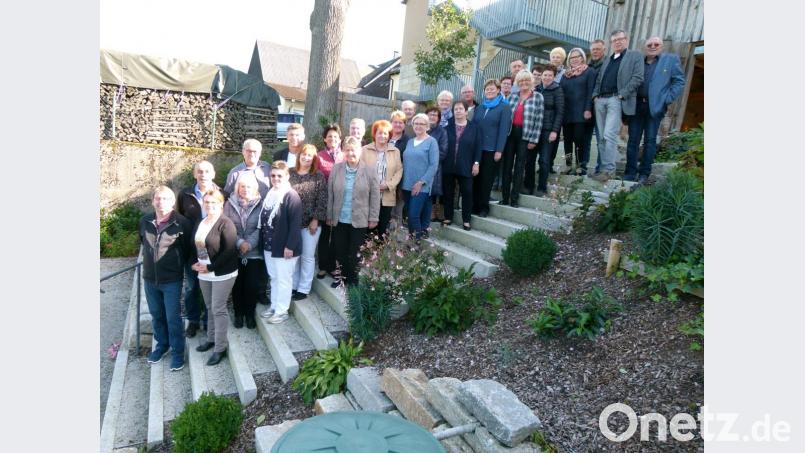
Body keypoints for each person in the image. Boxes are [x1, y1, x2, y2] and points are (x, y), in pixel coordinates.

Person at [139, 186, 193, 372]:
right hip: (149, 278)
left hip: (171, 279)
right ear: (153, 201)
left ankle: (178, 352)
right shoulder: (145, 221)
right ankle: (161, 345)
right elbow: (144, 244)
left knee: (172, 317)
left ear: (172, 202)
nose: (161, 202)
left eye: (165, 199)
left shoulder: (182, 223)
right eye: (157, 198)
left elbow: (188, 250)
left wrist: (175, 265)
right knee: (157, 315)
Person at [624, 36, 686, 183]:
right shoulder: (639, 61)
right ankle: (630, 173)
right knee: (632, 141)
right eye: (649, 44)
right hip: (637, 106)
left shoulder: (670, 60)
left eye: (656, 44)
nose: (653, 46)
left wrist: (667, 99)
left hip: (655, 106)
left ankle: (644, 173)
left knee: (650, 141)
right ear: (645, 47)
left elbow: (679, 81)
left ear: (661, 46)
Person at [192, 189, 239, 366]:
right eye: (207, 202)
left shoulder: (226, 224)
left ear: (221, 204)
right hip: (204, 273)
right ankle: (211, 339)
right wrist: (195, 264)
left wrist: (209, 267)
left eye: (214, 202)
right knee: (209, 306)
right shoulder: (202, 221)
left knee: (218, 309)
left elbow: (229, 252)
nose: (210, 205)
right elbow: (196, 245)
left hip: (222, 273)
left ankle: (220, 347)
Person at [591, 30, 645, 182]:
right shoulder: (608, 60)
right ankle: (602, 169)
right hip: (600, 100)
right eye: (614, 40)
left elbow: (638, 77)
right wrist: (595, 96)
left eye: (621, 39)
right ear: (611, 43)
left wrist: (622, 94)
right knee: (601, 137)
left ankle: (609, 170)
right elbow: (599, 79)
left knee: (609, 135)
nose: (618, 42)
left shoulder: (634, 56)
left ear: (626, 40)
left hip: (616, 99)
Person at [326, 137, 380, 286]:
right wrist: (329, 215)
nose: (350, 153)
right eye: (347, 150)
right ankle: (342, 278)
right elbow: (330, 193)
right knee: (340, 250)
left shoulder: (369, 170)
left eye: (353, 149)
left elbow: (375, 196)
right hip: (339, 218)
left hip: (360, 219)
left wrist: (373, 217)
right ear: (343, 151)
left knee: (355, 251)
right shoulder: (337, 169)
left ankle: (353, 279)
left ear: (360, 151)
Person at [176, 160, 220, 338]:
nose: (203, 175)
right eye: (200, 172)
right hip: (192, 251)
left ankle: (209, 322)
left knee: (211, 289)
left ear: (213, 174)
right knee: (192, 288)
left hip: (213, 251)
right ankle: (193, 321)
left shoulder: (221, 193)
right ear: (195, 174)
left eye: (207, 171)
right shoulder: (184, 195)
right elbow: (179, 220)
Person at [259, 161, 303, 324]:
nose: (276, 179)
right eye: (273, 175)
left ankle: (282, 311)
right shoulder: (270, 194)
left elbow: (295, 224)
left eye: (279, 176)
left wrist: (290, 247)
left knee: (284, 279)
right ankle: (274, 306)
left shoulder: (291, 196)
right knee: (274, 278)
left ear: (287, 177)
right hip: (270, 246)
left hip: (285, 247)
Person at [223, 172, 264, 330]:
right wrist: (240, 242)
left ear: (254, 188)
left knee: (251, 285)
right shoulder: (229, 204)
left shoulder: (261, 204)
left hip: (254, 253)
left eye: (248, 186)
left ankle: (250, 314)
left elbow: (262, 227)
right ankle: (238, 313)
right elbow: (227, 226)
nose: (245, 189)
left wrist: (250, 244)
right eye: (242, 186)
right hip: (235, 252)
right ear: (237, 188)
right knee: (237, 285)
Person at [289, 145, 327, 300]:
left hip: (310, 223)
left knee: (307, 256)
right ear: (299, 156)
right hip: (291, 223)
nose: (306, 157)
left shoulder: (318, 176)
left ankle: (304, 288)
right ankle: (294, 285)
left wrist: (316, 220)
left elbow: (323, 199)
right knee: (294, 256)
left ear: (314, 158)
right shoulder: (290, 173)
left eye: (310, 155)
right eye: (304, 154)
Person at [503, 70, 544, 207]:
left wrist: (534, 139)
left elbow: (539, 120)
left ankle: (514, 199)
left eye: (526, 80)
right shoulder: (512, 97)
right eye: (521, 81)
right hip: (510, 134)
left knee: (520, 167)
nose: (524, 83)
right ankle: (505, 197)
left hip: (525, 135)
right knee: (507, 166)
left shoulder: (537, 97)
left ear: (531, 81)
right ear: (517, 83)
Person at [472, 79, 512, 217]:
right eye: (487, 89)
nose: (489, 91)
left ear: (498, 90)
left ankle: (484, 208)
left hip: (492, 150)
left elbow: (504, 130)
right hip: (477, 149)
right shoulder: (480, 107)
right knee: (475, 179)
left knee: (486, 180)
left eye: (492, 89)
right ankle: (474, 206)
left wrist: (499, 150)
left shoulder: (504, 107)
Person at [444, 100, 482, 230]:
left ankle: (466, 220)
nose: (458, 111)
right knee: (448, 192)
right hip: (448, 165)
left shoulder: (474, 128)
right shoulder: (447, 126)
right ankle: (448, 216)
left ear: (466, 111)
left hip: (466, 165)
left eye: (461, 109)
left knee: (467, 192)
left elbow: (478, 147)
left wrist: (476, 163)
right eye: (455, 109)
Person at [361, 120, 402, 238]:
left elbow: (399, 170)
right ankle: (364, 254)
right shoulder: (365, 150)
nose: (382, 136)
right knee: (367, 229)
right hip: (368, 195)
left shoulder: (395, 151)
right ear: (374, 134)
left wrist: (388, 185)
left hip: (386, 196)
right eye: (379, 133)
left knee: (382, 230)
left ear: (389, 135)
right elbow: (360, 171)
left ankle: (378, 255)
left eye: (385, 133)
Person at [402, 114, 440, 239]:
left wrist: (421, 182)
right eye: (416, 123)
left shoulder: (431, 142)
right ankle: (412, 240)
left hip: (421, 185)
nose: (418, 126)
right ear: (412, 125)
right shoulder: (410, 142)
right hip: (406, 184)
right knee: (410, 215)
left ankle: (416, 243)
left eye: (421, 124)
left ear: (427, 126)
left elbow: (434, 165)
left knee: (414, 215)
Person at [561, 48, 597, 175]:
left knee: (579, 139)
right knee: (567, 141)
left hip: (581, 112)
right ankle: (568, 164)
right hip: (567, 113)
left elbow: (590, 91)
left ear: (582, 58)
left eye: (577, 57)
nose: (574, 59)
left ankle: (581, 165)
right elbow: (561, 93)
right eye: (571, 58)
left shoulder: (589, 72)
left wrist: (588, 108)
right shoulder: (565, 75)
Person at [315, 124, 344, 280]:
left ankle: (333, 265)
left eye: (335, 136)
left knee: (338, 235)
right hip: (324, 202)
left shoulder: (344, 156)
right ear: (324, 139)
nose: (332, 139)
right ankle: (323, 266)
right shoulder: (319, 156)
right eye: (329, 136)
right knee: (325, 235)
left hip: (340, 202)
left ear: (340, 139)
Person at [531, 65, 565, 196]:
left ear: (554, 76)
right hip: (535, 129)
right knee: (530, 159)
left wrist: (555, 131)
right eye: (544, 75)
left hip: (548, 129)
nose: (546, 77)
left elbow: (560, 112)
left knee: (544, 160)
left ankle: (542, 187)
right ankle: (529, 185)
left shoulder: (557, 90)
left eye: (549, 75)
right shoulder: (536, 89)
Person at [425, 106, 448, 222]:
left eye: (435, 115)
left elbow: (443, 151)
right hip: (421, 166)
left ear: (439, 118)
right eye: (430, 114)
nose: (432, 117)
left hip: (436, 165)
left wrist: (432, 161)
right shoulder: (421, 129)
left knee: (434, 190)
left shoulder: (442, 132)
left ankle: (435, 211)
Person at [388, 110, 410, 228]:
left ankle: (396, 240)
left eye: (401, 122)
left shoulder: (408, 141)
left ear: (404, 125)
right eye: (395, 122)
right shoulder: (385, 136)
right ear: (391, 123)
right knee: (385, 211)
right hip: (384, 179)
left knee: (397, 211)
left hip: (400, 181)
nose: (398, 125)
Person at [587, 39, 606, 173]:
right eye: (593, 49)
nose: (595, 51)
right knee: (585, 138)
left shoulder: (607, 64)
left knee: (601, 138)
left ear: (603, 50)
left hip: (601, 104)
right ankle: (583, 165)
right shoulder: (587, 66)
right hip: (587, 107)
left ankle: (601, 166)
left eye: (598, 49)